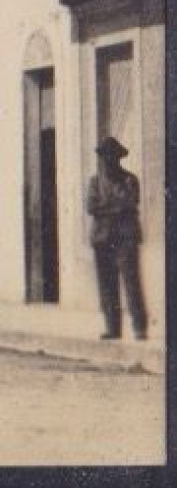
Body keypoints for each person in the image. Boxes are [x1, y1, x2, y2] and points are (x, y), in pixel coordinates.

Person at [87, 137, 147, 341]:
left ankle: (140, 327)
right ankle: (113, 328)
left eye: (111, 156)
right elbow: (91, 207)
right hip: (102, 239)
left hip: (125, 238)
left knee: (131, 283)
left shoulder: (130, 180)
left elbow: (130, 203)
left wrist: (108, 207)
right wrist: (115, 206)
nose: (107, 161)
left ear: (118, 158)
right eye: (104, 156)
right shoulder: (95, 182)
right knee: (107, 285)